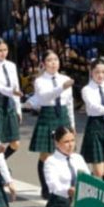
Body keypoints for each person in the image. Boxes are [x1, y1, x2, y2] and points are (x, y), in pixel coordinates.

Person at [30, 51, 76, 198]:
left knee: (66, 151)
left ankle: (64, 186)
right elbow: (44, 97)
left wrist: (72, 124)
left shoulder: (65, 78)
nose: (53, 63)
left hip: (62, 114)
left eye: (56, 59)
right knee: (47, 154)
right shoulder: (40, 81)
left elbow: (69, 103)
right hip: (48, 114)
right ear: (43, 63)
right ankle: (46, 187)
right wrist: (61, 87)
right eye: (49, 60)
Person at [45, 126, 92, 207]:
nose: (70, 145)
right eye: (66, 142)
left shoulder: (78, 158)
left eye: (72, 140)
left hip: (80, 205)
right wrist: (68, 191)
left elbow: (88, 178)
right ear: (56, 143)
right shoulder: (51, 161)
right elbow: (53, 185)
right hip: (60, 206)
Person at [0, 37, 23, 160]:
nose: (3, 53)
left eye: (5, 50)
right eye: (0, 50)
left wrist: (18, 109)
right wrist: (11, 91)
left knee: (15, 142)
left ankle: (1, 162)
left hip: (10, 103)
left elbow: (16, 86)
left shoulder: (11, 66)